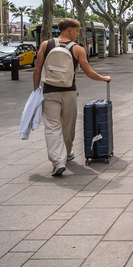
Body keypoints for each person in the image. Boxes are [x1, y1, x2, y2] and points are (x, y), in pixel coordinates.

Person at [33, 18, 111, 176]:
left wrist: (36, 91)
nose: (78, 33)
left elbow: (37, 69)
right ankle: (67, 152)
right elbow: (89, 72)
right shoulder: (77, 49)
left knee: (52, 127)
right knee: (68, 126)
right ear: (69, 30)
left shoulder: (45, 45)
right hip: (69, 91)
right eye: (77, 30)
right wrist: (103, 78)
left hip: (49, 91)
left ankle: (58, 161)